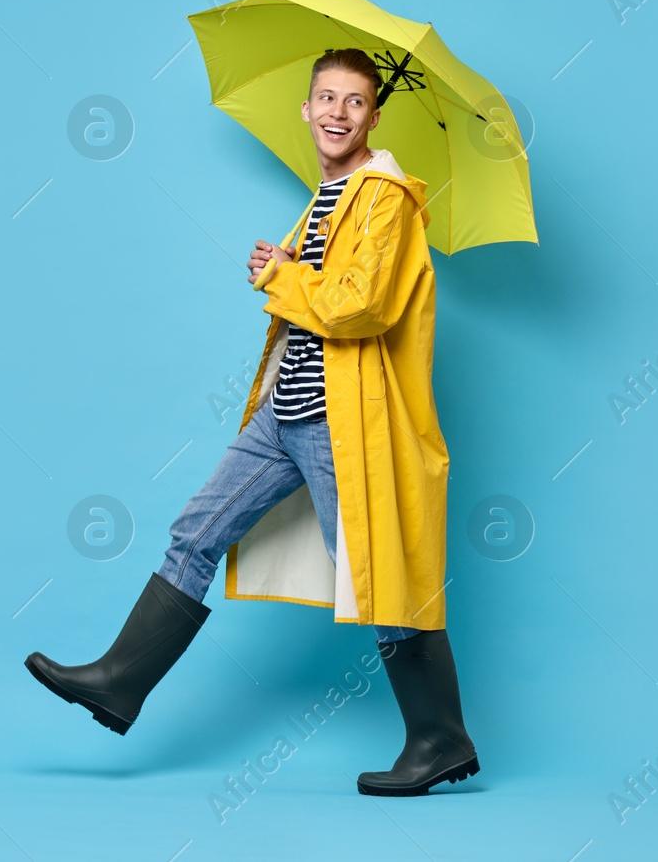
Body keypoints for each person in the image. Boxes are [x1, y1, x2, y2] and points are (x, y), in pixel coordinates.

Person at [25, 47, 479, 796]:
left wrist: (281, 274)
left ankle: (440, 738)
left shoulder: (386, 197)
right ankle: (119, 680)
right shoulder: (327, 194)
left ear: (374, 114)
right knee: (195, 529)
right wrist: (291, 261)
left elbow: (362, 305)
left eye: (354, 101)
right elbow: (323, 288)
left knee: (379, 580)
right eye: (325, 98)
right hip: (285, 414)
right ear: (305, 109)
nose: (336, 112)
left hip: (342, 420)